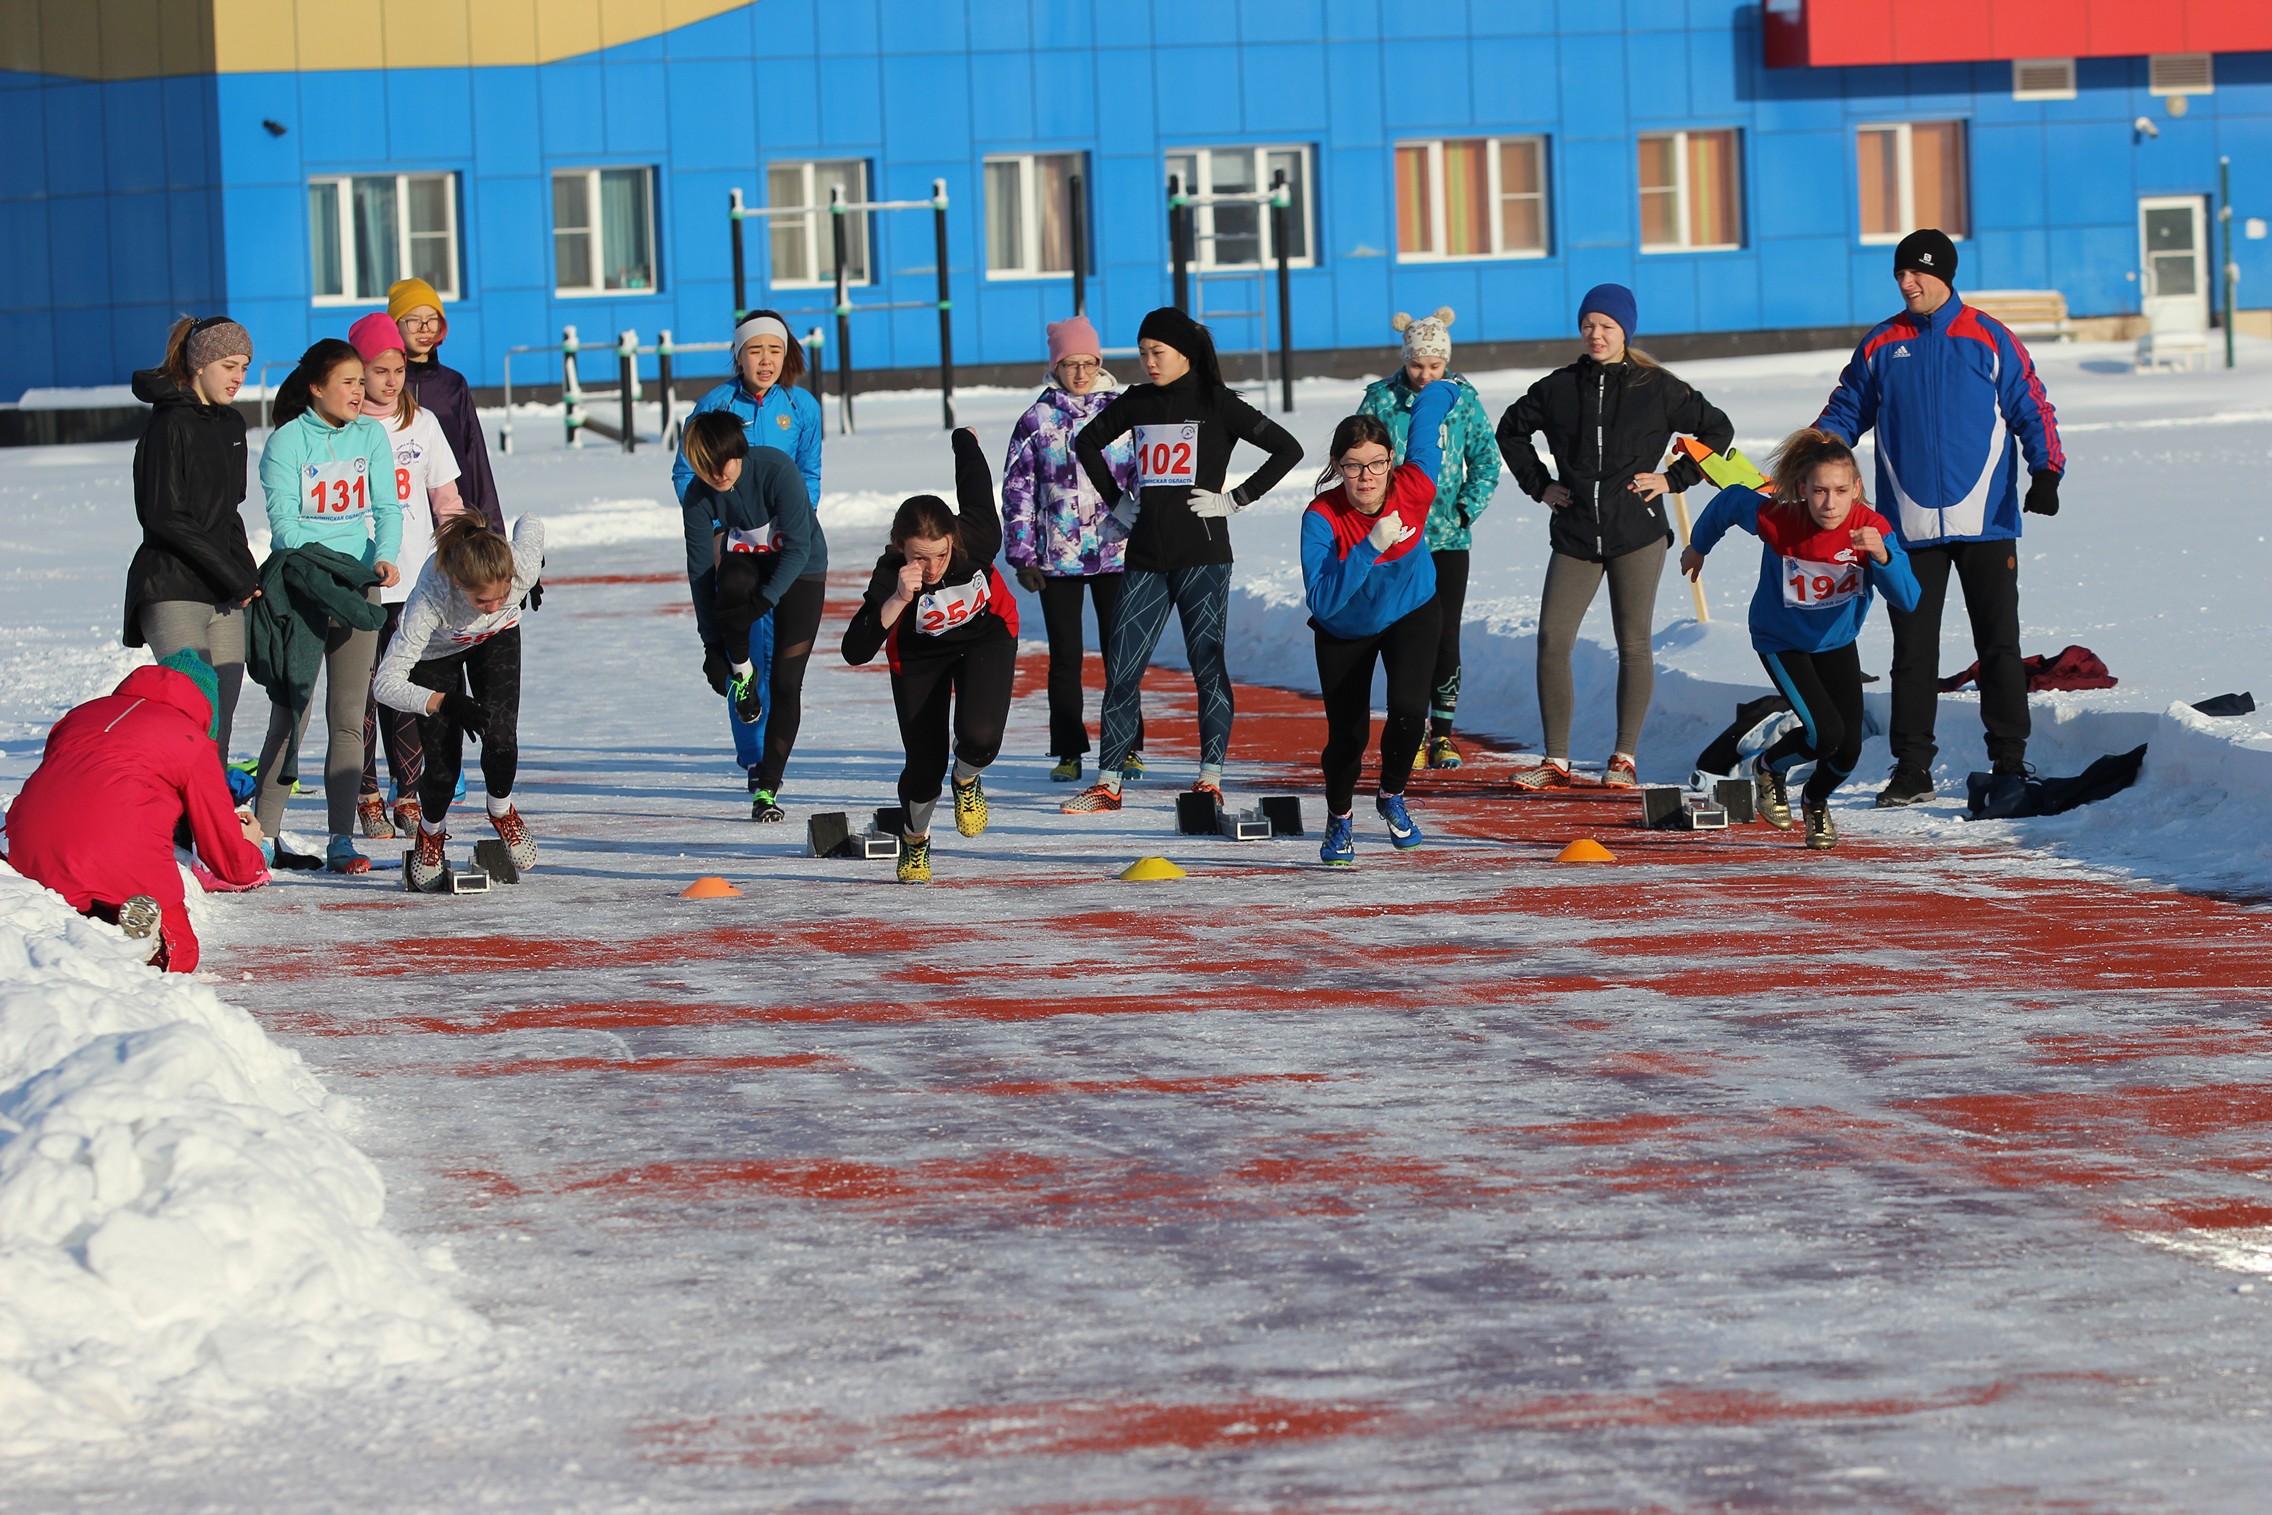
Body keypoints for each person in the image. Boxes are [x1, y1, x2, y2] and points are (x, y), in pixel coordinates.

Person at [1813, 229, 2066, 808]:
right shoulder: (1882, 344)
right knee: (1913, 650)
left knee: (1999, 644)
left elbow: (2032, 404)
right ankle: (1911, 768)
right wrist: (1813, 460)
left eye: (1918, 273)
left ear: (1944, 275)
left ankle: (2008, 760)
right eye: (1901, 274)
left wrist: (2045, 470)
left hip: (1988, 522)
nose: (1907, 283)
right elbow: (1845, 411)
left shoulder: (1988, 337)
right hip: (1907, 526)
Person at [1061, 308, 1304, 814]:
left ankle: (1210, 777)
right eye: (1143, 352)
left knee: (1206, 666)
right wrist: (1117, 500)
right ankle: (1108, 782)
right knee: (1122, 669)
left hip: (1204, 555)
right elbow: (1085, 441)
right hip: (1147, 554)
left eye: (1158, 352)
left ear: (1184, 353)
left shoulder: (1218, 403)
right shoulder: (1139, 401)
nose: (1148, 362)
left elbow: (1287, 449)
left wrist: (1235, 499)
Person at [1496, 284, 1733, 790]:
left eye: (1606, 326)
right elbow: (1510, 431)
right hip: (1576, 533)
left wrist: (1673, 479)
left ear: (1626, 330)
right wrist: (1540, 485)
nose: (1595, 334)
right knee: (1552, 640)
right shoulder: (1559, 387)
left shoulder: (1657, 387)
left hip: (1637, 534)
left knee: (1634, 644)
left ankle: (1623, 759)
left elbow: (1718, 430)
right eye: (1588, 325)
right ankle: (1555, 761)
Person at [1682, 428, 1922, 849]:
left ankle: (1814, 801)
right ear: (1801, 489)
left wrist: (1883, 557)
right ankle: (1768, 767)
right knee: (1823, 734)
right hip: (1782, 641)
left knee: (1847, 752)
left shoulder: (1871, 528)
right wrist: (1698, 546)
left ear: (1856, 489)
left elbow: (1908, 599)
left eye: (1841, 490)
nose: (1830, 503)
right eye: (1819, 491)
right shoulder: (1779, 519)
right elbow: (1729, 501)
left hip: (1835, 643)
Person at [3, 651, 268, 972]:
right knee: (184, 949)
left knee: (70, 901)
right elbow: (228, 862)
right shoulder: (192, 741)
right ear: (207, 710)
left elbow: (68, 787)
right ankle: (153, 944)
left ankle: (89, 925)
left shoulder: (80, 714)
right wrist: (252, 848)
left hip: (25, 845)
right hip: (120, 852)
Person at [250, 338, 401, 874]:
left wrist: (382, 559)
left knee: (349, 719)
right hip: (305, 587)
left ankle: (341, 839)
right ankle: (264, 834)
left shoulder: (371, 437)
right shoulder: (287, 443)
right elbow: (285, 527)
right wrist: (325, 570)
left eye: (363, 382)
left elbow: (387, 507)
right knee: (292, 711)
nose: (360, 392)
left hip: (360, 587)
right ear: (317, 388)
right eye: (349, 382)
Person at [841, 429, 1016, 886]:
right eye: (921, 558)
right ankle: (916, 841)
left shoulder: (977, 538)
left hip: (986, 636)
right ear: (901, 549)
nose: (934, 568)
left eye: (940, 555)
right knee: (924, 768)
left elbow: (975, 482)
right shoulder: (891, 575)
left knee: (979, 737)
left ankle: (967, 779)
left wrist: (964, 439)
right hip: (920, 659)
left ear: (952, 540)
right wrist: (898, 599)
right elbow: (854, 651)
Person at [673, 312, 828, 819]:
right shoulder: (716, 405)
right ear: (738, 356)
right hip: (735, 546)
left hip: (787, 541)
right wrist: (718, 524)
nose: (765, 361)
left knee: (782, 666)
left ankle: (769, 768)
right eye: (755, 351)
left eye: (775, 351)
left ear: (787, 357)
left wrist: (789, 517)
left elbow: (808, 471)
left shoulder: (801, 406)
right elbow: (687, 473)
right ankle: (753, 756)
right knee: (742, 651)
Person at [1303, 380, 1458, 864]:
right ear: (1337, 468)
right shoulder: (1321, 516)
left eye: (1374, 463)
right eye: (1352, 466)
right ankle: (1340, 818)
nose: (1365, 476)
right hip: (1344, 629)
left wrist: (1443, 388)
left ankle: (1391, 795)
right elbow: (1324, 600)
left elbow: (1426, 425)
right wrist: (1370, 546)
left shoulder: (1415, 484)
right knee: (1348, 736)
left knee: (1411, 712)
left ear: (1390, 461)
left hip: (1411, 609)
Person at [1356, 308, 1502, 771]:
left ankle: (1443, 733)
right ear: (1405, 359)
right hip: (1396, 540)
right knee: (1402, 634)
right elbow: (1357, 457)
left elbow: (1486, 459)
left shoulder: (1462, 400)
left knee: (1444, 634)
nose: (1425, 374)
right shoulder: (1381, 401)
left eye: (1435, 366)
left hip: (1447, 539)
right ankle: (1409, 729)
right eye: (1418, 364)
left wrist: (1465, 509)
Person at [1003, 315, 1143, 784]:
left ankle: (1126, 746)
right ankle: (1068, 749)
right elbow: (1018, 489)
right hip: (1056, 557)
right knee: (1066, 656)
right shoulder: (1036, 420)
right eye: (1070, 364)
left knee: (1120, 650)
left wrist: (1143, 533)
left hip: (1116, 551)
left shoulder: (1123, 414)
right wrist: (1021, 555)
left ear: (1099, 364)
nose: (1080, 373)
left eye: (1088, 363)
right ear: (1055, 366)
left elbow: (1142, 479)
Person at [373, 512, 545, 892]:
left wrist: (534, 574)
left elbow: (531, 520)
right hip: (435, 654)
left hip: (496, 641)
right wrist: (442, 702)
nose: (495, 603)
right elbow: (384, 684)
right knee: (442, 768)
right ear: (457, 582)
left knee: (501, 735)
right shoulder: (431, 598)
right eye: (484, 600)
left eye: (504, 595)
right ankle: (431, 833)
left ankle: (501, 811)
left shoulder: (521, 570)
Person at [346, 312, 465, 842]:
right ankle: (365, 792)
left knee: (407, 689)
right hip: (360, 583)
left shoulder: (423, 424)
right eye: (378, 370)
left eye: (397, 369)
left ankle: (407, 791)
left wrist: (462, 557)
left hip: (417, 583)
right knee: (363, 694)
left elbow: (447, 502)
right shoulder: (345, 428)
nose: (391, 380)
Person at [122, 315, 260, 762]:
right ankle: (175, 827)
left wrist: (249, 575)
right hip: (171, 587)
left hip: (223, 591)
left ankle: (207, 821)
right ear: (200, 364)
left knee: (222, 719)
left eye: (244, 366)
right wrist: (230, 574)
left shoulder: (232, 426)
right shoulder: (168, 425)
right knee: (194, 712)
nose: (238, 377)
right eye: (228, 365)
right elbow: (165, 516)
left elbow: (229, 512)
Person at [388, 278, 505, 533]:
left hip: (450, 522)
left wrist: (493, 532)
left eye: (432, 319)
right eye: (413, 320)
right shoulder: (384, 385)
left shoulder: (453, 385)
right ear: (394, 324)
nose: (424, 328)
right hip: (395, 521)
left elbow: (475, 459)